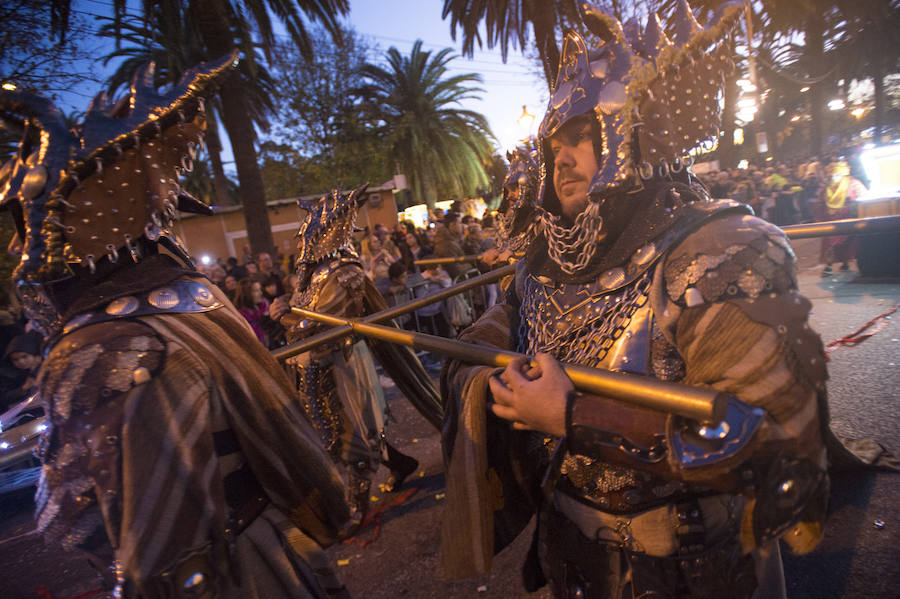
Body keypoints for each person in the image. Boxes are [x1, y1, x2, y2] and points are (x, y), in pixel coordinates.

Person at [440, 5, 829, 598]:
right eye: (554, 143)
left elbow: (771, 444)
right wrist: (482, 363)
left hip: (694, 565)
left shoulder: (722, 249)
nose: (561, 158)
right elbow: (506, 319)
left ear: (634, 133)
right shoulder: (545, 264)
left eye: (580, 136)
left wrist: (573, 416)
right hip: (571, 557)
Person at [0, 57, 351, 598]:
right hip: (268, 550)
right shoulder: (176, 304)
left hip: (234, 577)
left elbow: (164, 553)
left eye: (24, 226)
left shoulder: (109, 348)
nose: (15, 248)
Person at [270, 187, 442, 526]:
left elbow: (323, 327)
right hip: (313, 368)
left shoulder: (345, 271)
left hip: (343, 365)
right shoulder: (312, 272)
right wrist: (287, 310)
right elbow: (304, 313)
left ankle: (358, 507)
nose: (308, 233)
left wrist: (283, 315)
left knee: (352, 434)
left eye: (316, 227)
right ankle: (400, 462)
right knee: (328, 434)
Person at [819, 160, 866, 277]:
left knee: (849, 241)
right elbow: (820, 201)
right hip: (831, 218)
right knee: (831, 242)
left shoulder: (853, 184)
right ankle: (828, 266)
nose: (834, 178)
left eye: (837, 175)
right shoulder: (827, 187)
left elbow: (864, 196)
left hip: (848, 216)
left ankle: (845, 263)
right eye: (832, 175)